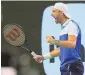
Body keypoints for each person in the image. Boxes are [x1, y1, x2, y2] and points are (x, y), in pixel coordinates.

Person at [33, 2, 84, 75]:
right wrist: (43, 57)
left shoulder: (71, 25)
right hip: (65, 66)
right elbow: (61, 50)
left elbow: (72, 44)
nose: (51, 14)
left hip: (72, 65)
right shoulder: (63, 29)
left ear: (61, 12)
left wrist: (54, 41)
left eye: (54, 11)